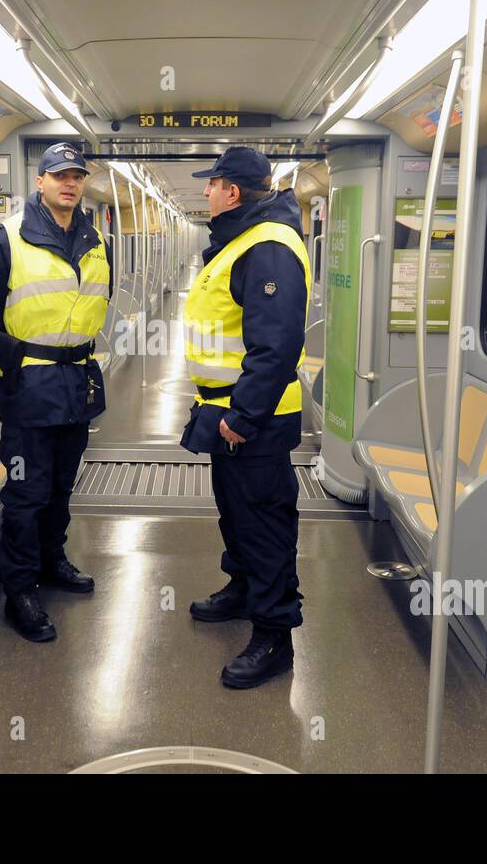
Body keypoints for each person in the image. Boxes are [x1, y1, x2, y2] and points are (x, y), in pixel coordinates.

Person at [180, 145, 310, 689]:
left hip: (251, 419)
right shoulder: (241, 241)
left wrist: (245, 415)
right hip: (224, 412)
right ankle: (240, 590)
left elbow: (275, 346)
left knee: (264, 525)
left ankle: (274, 635)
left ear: (232, 191)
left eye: (211, 184)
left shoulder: (270, 247)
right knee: (236, 516)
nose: (206, 191)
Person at [0, 143, 111, 642]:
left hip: (76, 383)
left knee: (60, 487)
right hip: (30, 386)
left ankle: (53, 562)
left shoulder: (96, 240)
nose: (70, 184)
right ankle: (20, 591)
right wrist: (13, 360)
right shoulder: (6, 238)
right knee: (26, 493)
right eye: (60, 176)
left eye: (77, 176)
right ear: (40, 182)